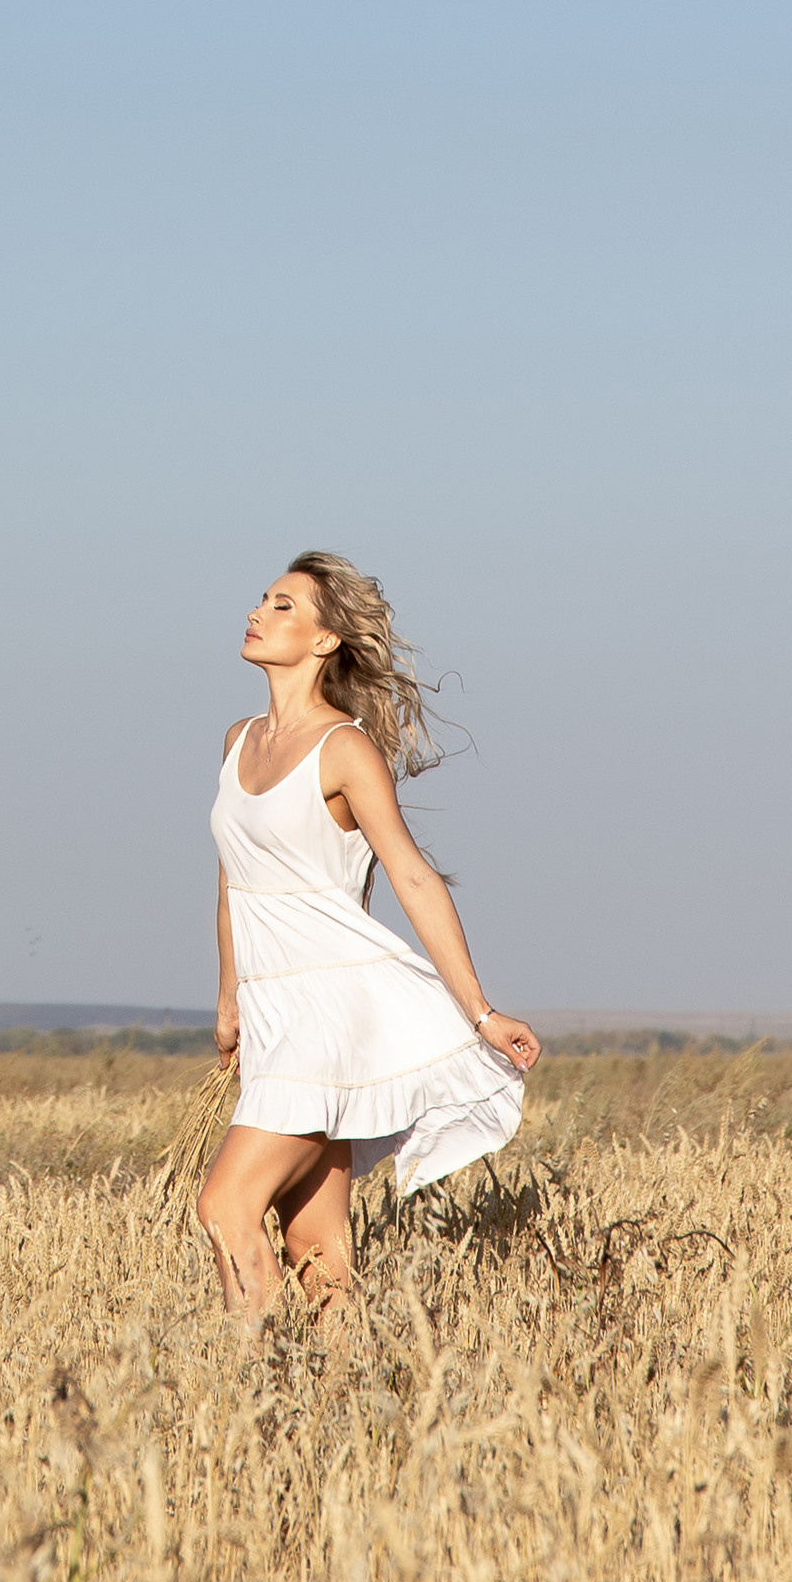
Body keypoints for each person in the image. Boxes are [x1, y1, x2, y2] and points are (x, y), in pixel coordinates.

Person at [196, 550, 540, 1326]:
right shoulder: (237, 741)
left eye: (282, 605)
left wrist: (480, 1012)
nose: (257, 612)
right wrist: (229, 1001)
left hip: (329, 1010)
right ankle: (342, 1402)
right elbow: (232, 879)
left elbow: (413, 877)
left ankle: (237, 1396)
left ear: (324, 641)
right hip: (272, 1008)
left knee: (222, 1206)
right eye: (262, 599)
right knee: (316, 1246)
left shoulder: (343, 749)